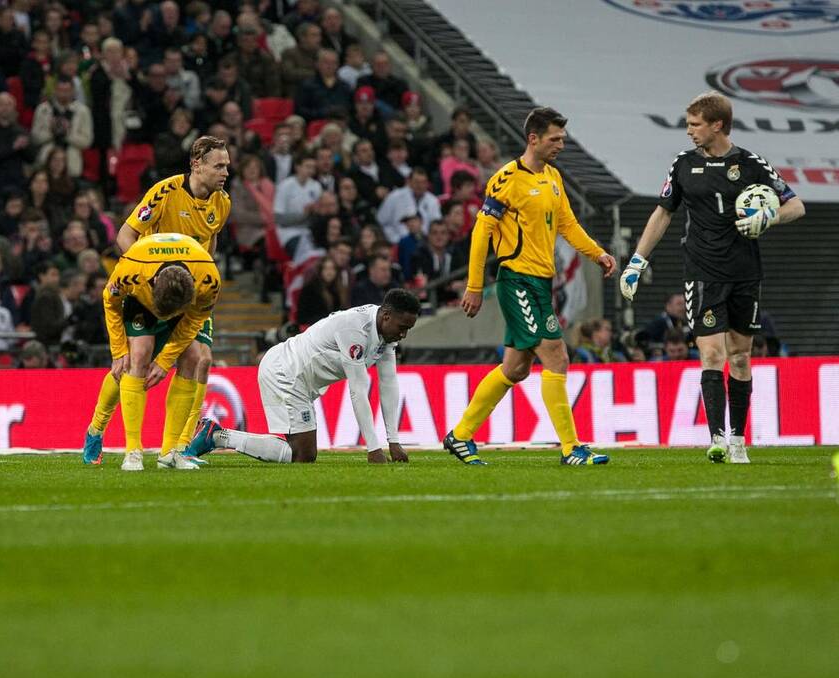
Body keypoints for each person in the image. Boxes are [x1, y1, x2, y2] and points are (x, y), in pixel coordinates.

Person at [620, 91, 804, 464]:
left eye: (695, 125)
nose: (689, 132)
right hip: (702, 272)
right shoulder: (683, 165)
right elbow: (662, 213)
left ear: (717, 125)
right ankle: (717, 437)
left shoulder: (752, 164)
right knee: (711, 353)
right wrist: (637, 261)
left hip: (745, 272)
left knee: (740, 357)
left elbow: (795, 205)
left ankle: (738, 438)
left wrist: (770, 218)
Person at [446, 107, 618, 467]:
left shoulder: (553, 177)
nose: (561, 145)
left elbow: (568, 225)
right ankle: (571, 448)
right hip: (517, 280)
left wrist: (597, 253)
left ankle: (460, 436)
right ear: (533, 139)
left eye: (563, 139)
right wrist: (475, 286)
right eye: (555, 139)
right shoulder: (507, 179)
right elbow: (482, 233)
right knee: (556, 354)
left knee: (516, 368)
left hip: (541, 283)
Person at [82, 137, 231, 466]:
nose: (225, 172)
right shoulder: (165, 192)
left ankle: (174, 450)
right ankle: (100, 432)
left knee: (198, 359)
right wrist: (144, 268)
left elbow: (211, 242)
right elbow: (125, 235)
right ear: (196, 164)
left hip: (188, 291)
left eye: (227, 166)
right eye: (219, 165)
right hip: (150, 286)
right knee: (133, 359)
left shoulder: (222, 203)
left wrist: (200, 276)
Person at [186, 289, 419, 465]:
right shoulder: (355, 329)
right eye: (402, 327)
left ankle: (214, 434)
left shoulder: (387, 334)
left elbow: (388, 384)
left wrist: (394, 441)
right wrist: (373, 448)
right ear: (386, 316)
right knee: (302, 455)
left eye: (408, 329)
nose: (404, 334)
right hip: (285, 371)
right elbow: (358, 389)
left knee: (302, 453)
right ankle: (216, 435)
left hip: (301, 380)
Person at [101, 233, 221, 471]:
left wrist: (165, 361)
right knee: (138, 356)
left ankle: (170, 453)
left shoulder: (208, 279)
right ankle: (133, 451)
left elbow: (194, 320)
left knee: (194, 358)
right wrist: (118, 350)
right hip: (142, 300)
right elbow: (110, 300)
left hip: (183, 306)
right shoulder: (131, 269)